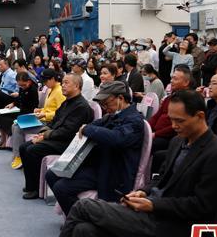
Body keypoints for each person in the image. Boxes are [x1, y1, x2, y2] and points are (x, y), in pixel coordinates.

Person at [18, 90, 217, 237]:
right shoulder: (180, 141)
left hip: (177, 228)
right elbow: (162, 180)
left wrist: (153, 205)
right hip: (154, 214)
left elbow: (203, 208)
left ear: (199, 116)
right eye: (171, 120)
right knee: (83, 229)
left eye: (180, 121)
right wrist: (142, 192)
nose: (174, 126)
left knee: (83, 206)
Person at [45, 81, 144, 214]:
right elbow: (94, 125)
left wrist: (88, 129)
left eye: (106, 103)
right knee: (52, 174)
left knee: (61, 188)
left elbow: (117, 138)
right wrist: (88, 128)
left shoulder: (135, 120)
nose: (104, 107)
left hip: (114, 172)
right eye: (102, 104)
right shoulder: (113, 116)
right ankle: (75, 216)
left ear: (120, 98)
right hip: (100, 165)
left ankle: (82, 220)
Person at [19, 73, 93, 199]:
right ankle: (31, 185)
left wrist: (45, 136)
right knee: (23, 147)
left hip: (69, 143)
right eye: (62, 82)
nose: (62, 85)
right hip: (58, 138)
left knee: (32, 150)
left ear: (77, 86)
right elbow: (55, 121)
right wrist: (43, 133)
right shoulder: (67, 102)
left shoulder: (81, 106)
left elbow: (67, 132)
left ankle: (37, 189)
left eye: (66, 83)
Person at [10, 68, 65, 169]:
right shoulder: (52, 90)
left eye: (46, 80)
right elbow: (49, 108)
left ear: (53, 79)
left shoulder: (59, 92)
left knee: (18, 127)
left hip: (49, 123)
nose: (45, 83)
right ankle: (17, 155)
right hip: (44, 119)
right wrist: (40, 110)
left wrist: (44, 115)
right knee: (15, 124)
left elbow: (61, 113)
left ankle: (18, 156)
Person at [149, 66, 192, 156]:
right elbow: (157, 115)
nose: (171, 81)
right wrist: (147, 129)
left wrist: (155, 134)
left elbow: (176, 127)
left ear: (186, 82)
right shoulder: (169, 98)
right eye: (171, 78)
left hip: (169, 137)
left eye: (175, 79)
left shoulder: (188, 100)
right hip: (155, 132)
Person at [0, 72, 39, 149]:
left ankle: (6, 142)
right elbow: (19, 98)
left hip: (28, 113)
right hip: (20, 110)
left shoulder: (33, 90)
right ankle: (3, 140)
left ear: (28, 81)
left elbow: (31, 106)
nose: (22, 87)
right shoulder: (22, 88)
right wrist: (13, 103)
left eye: (23, 85)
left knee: (4, 119)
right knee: (0, 114)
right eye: (20, 85)